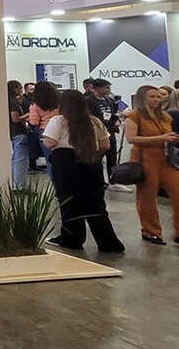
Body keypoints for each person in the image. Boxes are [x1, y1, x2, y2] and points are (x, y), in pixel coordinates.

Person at [42, 90, 124, 252]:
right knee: (95, 202)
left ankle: (72, 239)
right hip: (91, 162)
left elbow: (50, 142)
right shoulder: (94, 121)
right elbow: (105, 145)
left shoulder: (58, 120)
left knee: (68, 201)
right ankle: (108, 243)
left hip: (65, 164)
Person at [124, 85, 179, 246]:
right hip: (144, 160)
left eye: (158, 96)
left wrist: (171, 138)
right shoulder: (134, 116)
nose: (156, 99)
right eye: (152, 96)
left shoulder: (165, 116)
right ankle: (150, 231)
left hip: (166, 160)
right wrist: (161, 138)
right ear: (142, 98)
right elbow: (131, 139)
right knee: (147, 198)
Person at [86, 78, 119, 180]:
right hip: (96, 134)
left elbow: (113, 115)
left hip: (110, 132)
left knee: (112, 158)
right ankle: (98, 180)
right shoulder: (88, 101)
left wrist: (116, 122)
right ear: (97, 88)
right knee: (96, 159)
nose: (109, 90)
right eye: (106, 88)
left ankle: (113, 181)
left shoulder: (109, 100)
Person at [28, 81, 60, 177]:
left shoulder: (35, 105)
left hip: (45, 132)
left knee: (50, 160)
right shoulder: (60, 102)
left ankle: (55, 183)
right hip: (61, 129)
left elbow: (34, 122)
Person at [8, 80, 30, 189]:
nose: (21, 90)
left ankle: (15, 184)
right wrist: (27, 115)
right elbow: (15, 119)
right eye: (20, 88)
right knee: (20, 160)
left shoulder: (7, 100)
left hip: (13, 132)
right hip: (19, 132)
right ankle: (20, 186)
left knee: (16, 158)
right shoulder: (14, 102)